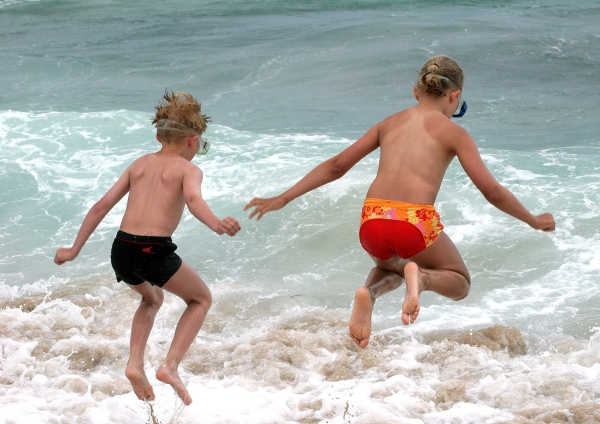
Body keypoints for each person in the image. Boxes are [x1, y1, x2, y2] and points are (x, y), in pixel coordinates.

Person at [244, 56, 555, 349]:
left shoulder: (389, 123)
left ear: (416, 91)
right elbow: (492, 191)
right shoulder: (453, 132)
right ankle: (422, 277)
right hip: (413, 222)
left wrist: (283, 197)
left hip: (373, 220)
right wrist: (533, 219)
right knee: (459, 282)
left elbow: (337, 165)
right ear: (454, 96)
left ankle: (370, 292)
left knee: (390, 264)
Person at [54, 91, 241, 405]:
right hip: (153, 250)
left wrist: (74, 249)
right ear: (194, 141)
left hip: (121, 249)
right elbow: (194, 201)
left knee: (152, 298)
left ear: (159, 135)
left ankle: (134, 364)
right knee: (200, 299)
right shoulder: (189, 170)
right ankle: (169, 367)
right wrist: (217, 224)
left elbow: (101, 207)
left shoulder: (139, 164)